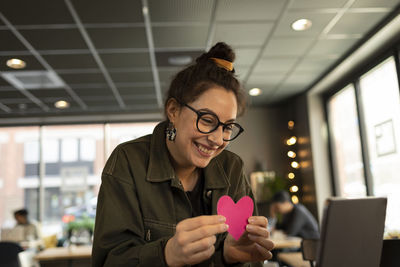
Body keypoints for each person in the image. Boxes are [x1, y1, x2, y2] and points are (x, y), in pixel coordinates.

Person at [92, 42, 274, 267]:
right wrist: (166, 254)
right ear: (173, 111)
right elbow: (108, 261)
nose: (217, 140)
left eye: (227, 127)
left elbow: (252, 261)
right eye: (207, 120)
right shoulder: (128, 161)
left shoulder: (232, 169)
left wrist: (229, 258)